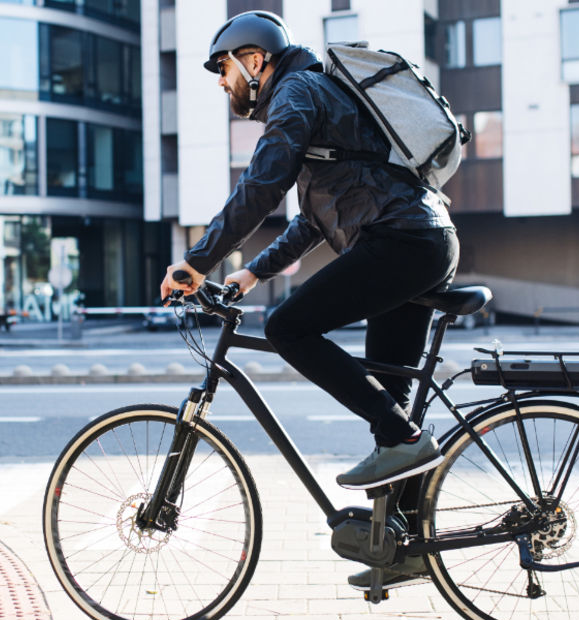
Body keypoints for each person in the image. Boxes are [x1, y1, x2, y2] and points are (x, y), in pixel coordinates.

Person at [159, 10, 460, 589]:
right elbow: (314, 218)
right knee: (390, 401)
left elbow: (261, 184)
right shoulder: (315, 94)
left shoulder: (296, 93)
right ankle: (404, 549)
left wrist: (196, 261)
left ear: (254, 60)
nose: (222, 82)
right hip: (419, 240)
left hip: (401, 242)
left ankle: (405, 442)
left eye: (223, 68)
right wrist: (248, 273)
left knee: (288, 328)